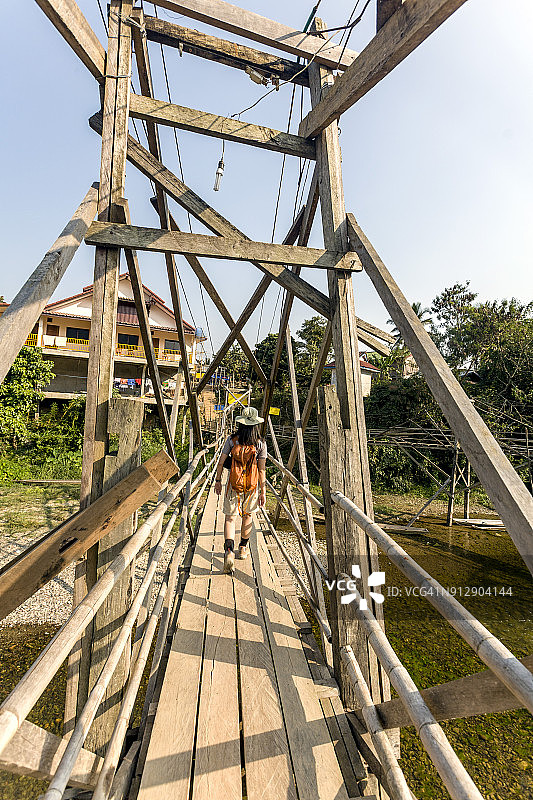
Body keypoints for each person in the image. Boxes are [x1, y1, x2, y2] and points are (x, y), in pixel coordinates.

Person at [214, 406, 267, 574]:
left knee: (230, 519)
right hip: (251, 487)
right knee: (248, 516)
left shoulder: (231, 440)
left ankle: (229, 550)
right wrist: (263, 491)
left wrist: (217, 481)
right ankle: (243, 548)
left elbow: (221, 462)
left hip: (233, 485)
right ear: (256, 425)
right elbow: (261, 470)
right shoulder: (260, 443)